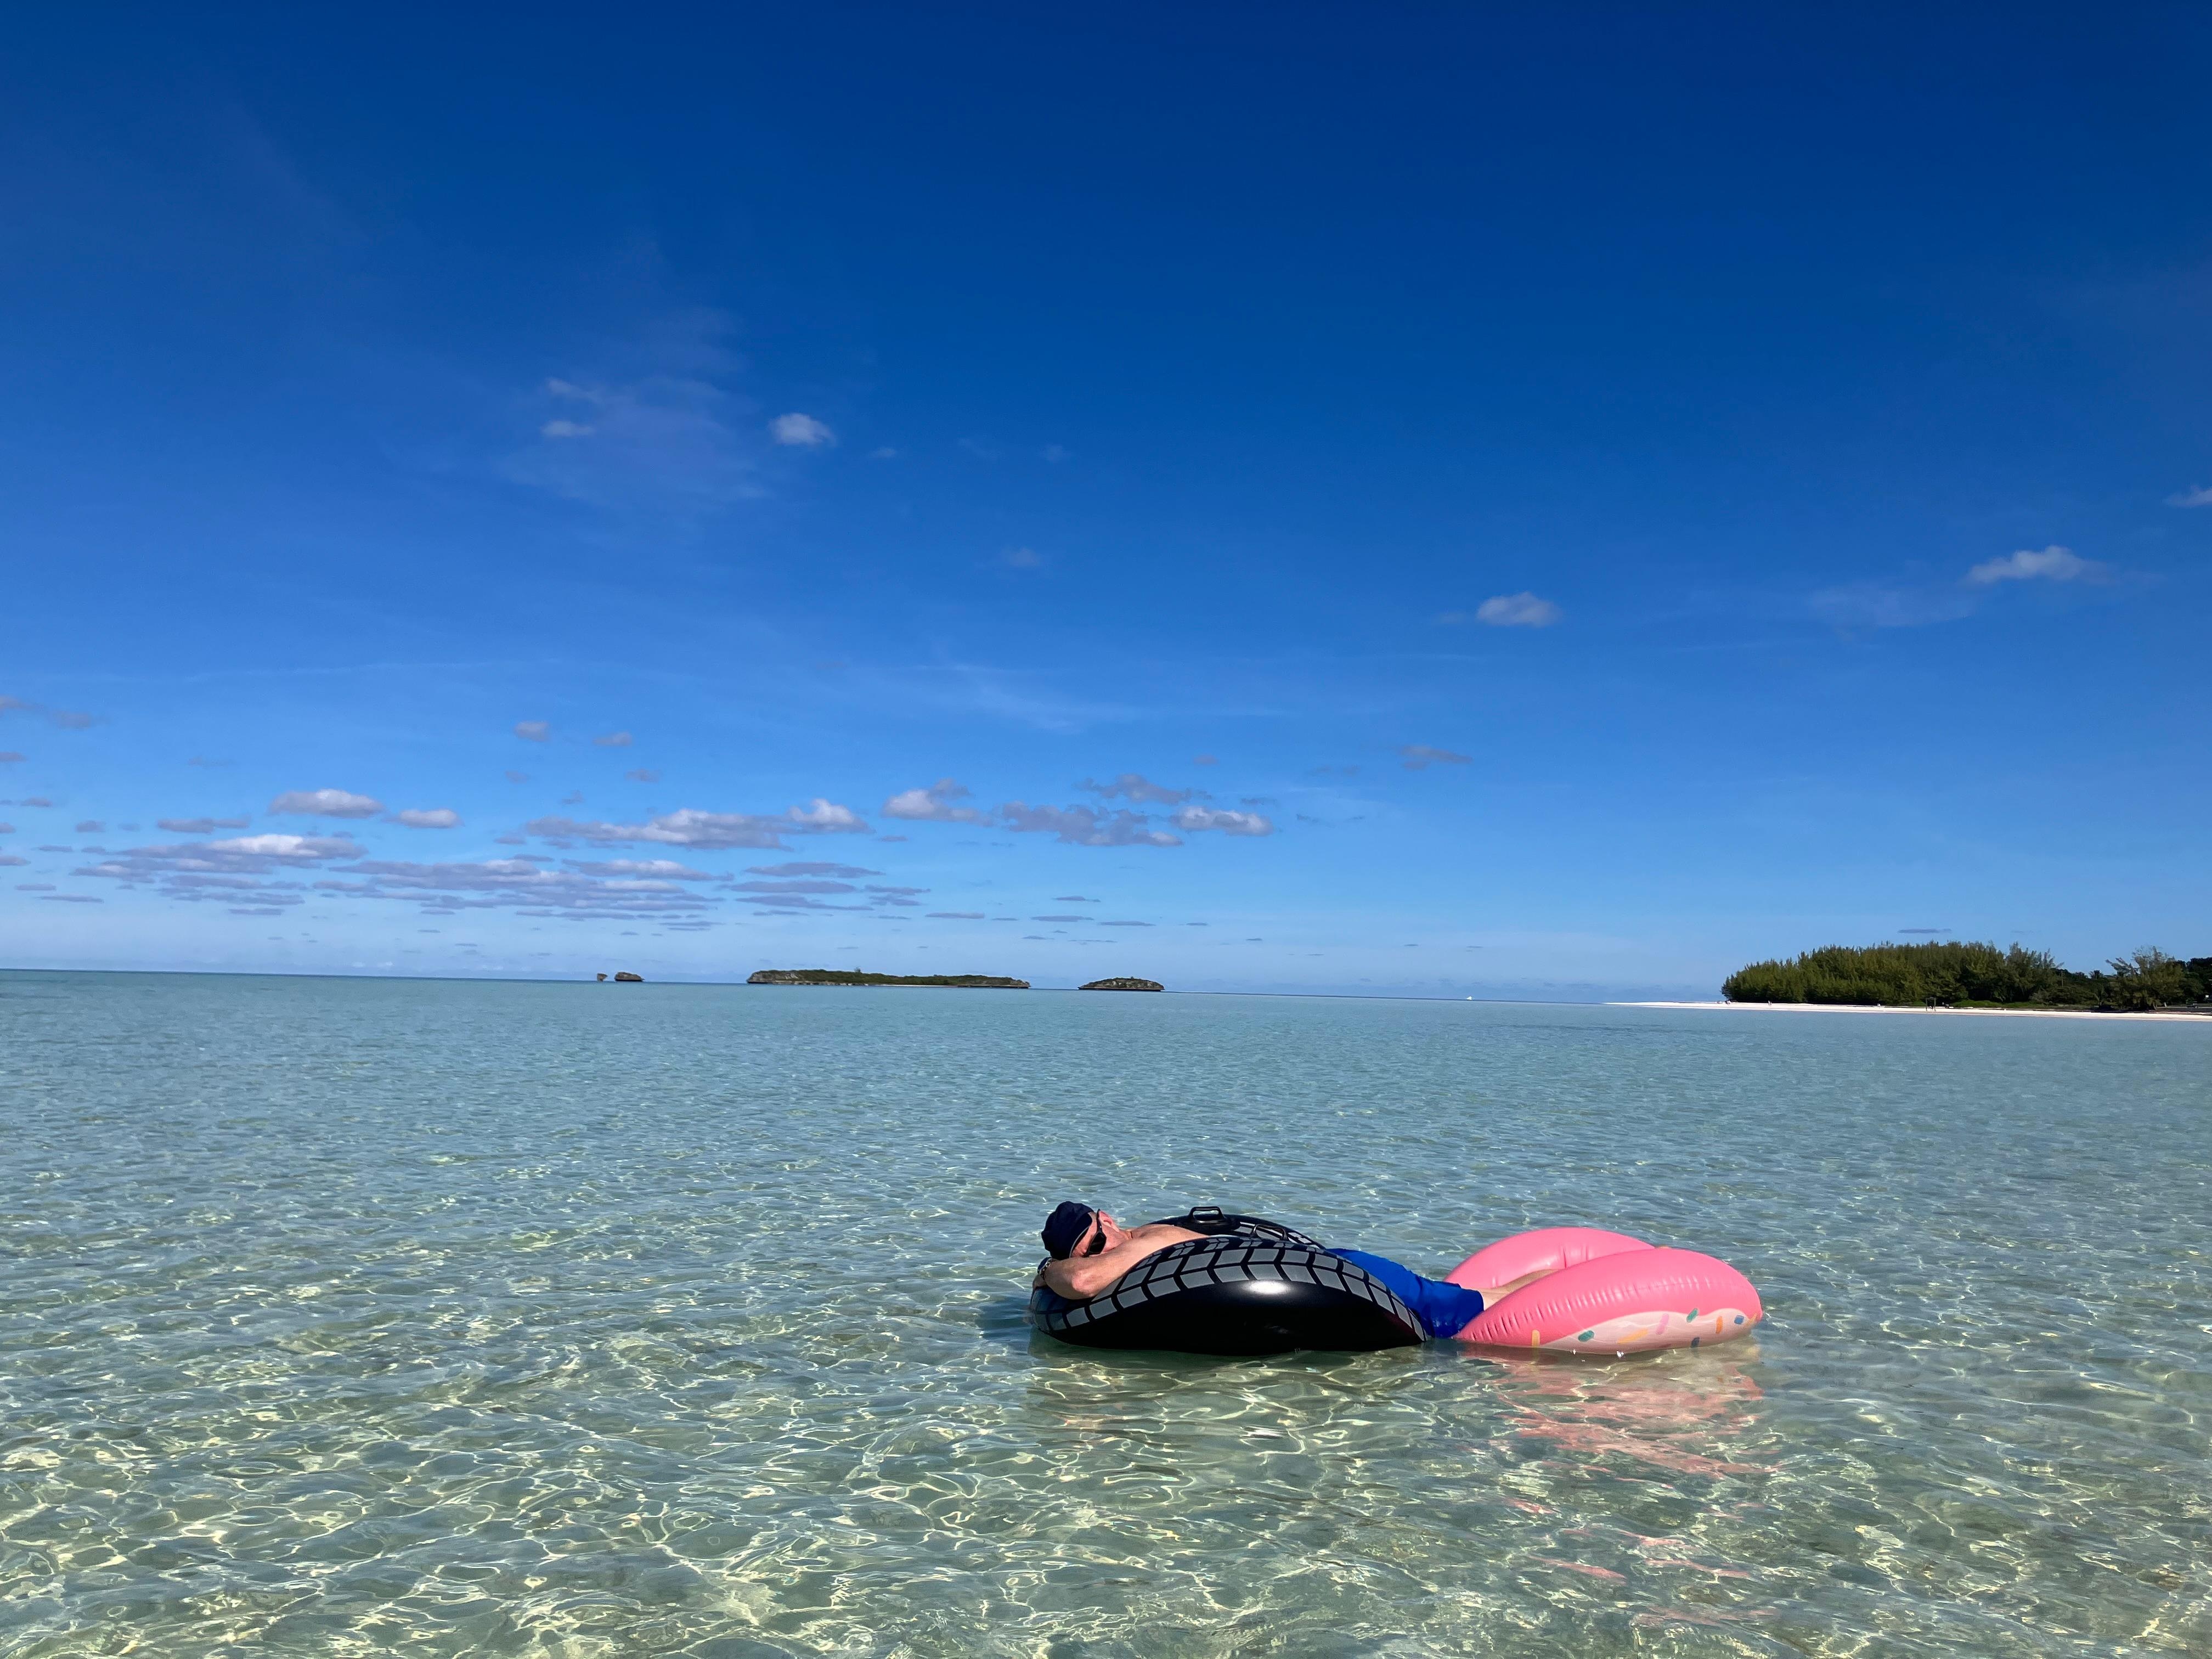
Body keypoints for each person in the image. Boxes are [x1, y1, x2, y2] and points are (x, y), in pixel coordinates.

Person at [1036, 1200, 1523, 1341]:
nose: (1098, 1256)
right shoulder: (1123, 1250)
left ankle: (1563, 1283)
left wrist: (1047, 1274)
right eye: (1087, 1252)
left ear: (1108, 1221)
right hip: (1328, 1269)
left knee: (1470, 1318)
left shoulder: (1152, 1240)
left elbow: (1082, 1283)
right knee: (1472, 1296)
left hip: (1346, 1273)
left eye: (1097, 1244)